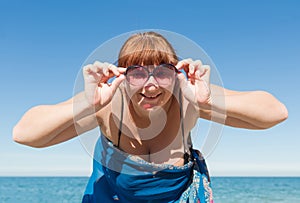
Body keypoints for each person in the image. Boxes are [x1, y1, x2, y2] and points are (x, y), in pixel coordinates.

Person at [13, 31, 288, 202]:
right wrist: (87, 103)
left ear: (176, 73)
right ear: (121, 75)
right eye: (137, 73)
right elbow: (24, 134)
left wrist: (208, 101)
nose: (151, 84)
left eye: (162, 72)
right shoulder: (108, 103)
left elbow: (276, 113)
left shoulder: (188, 97)